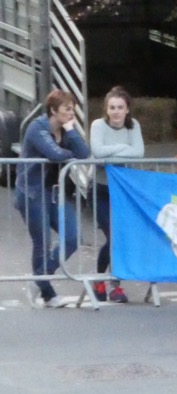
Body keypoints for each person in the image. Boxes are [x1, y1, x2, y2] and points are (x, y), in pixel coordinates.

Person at [16, 90, 92, 308]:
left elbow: (84, 153)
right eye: (67, 109)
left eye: (72, 109)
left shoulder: (66, 130)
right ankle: (47, 293)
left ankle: (39, 280)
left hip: (54, 192)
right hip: (32, 192)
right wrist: (70, 154)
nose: (71, 113)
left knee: (72, 237)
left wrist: (71, 132)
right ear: (53, 110)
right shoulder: (37, 128)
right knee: (42, 242)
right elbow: (55, 154)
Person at [89, 86, 145, 303]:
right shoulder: (98, 125)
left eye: (120, 107)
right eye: (112, 107)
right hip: (101, 188)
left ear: (127, 109)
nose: (116, 112)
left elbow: (139, 153)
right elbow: (98, 152)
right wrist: (124, 148)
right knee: (112, 236)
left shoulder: (134, 126)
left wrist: (111, 151)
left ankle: (115, 285)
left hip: (122, 189)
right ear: (106, 109)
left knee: (120, 238)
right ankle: (100, 279)